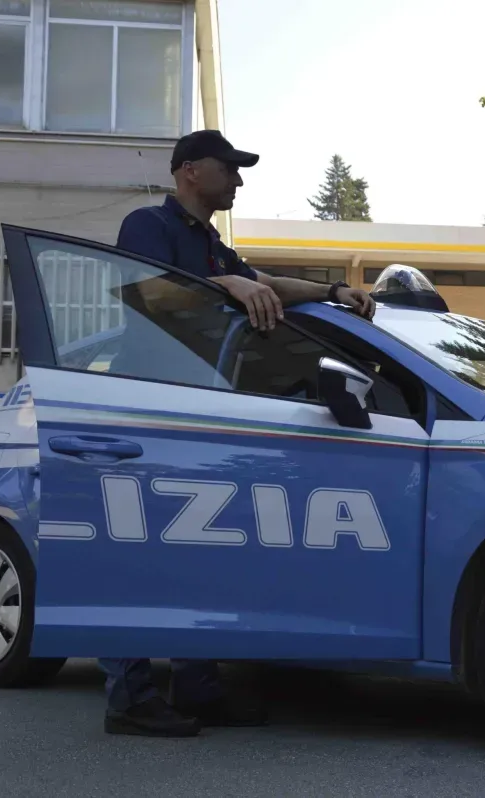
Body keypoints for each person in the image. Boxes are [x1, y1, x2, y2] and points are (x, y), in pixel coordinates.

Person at [100, 130, 376, 738]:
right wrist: (229, 286)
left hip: (200, 414)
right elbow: (152, 293)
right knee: (138, 557)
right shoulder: (147, 225)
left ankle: (197, 687)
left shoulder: (213, 246)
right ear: (190, 171)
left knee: (199, 554)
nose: (240, 181)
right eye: (230, 169)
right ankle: (129, 697)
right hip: (147, 411)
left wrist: (331, 291)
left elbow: (265, 283)